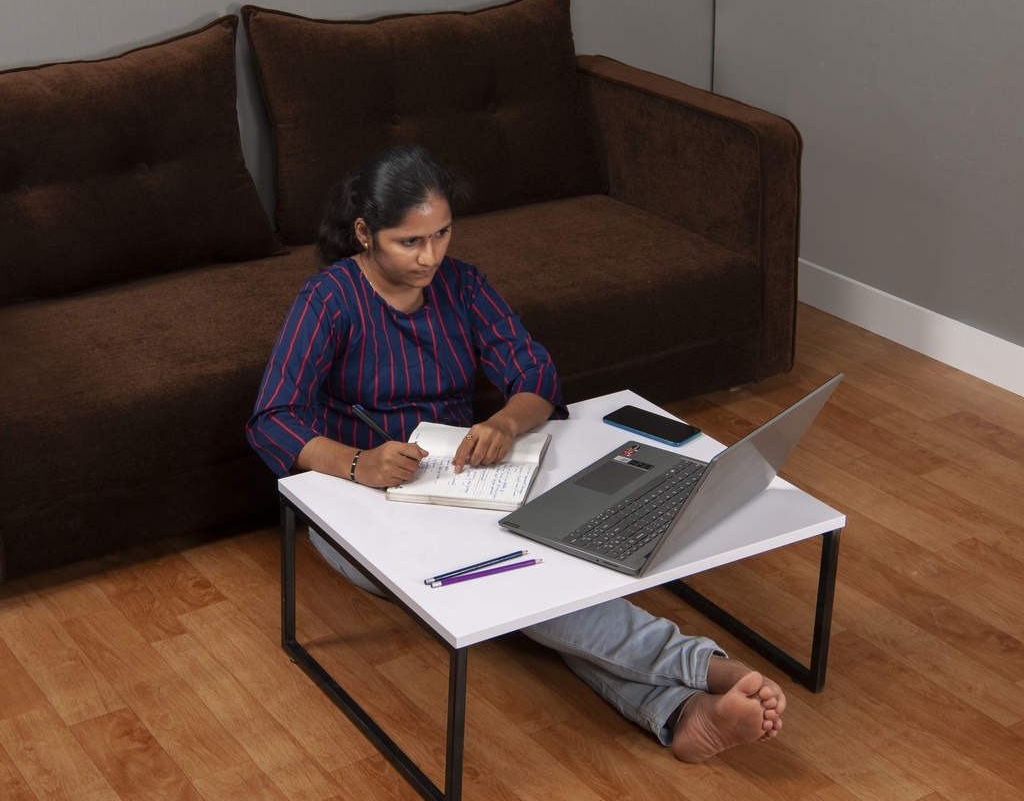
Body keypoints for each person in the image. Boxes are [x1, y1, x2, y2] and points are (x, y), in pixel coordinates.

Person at [247, 144, 786, 762]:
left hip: (461, 481)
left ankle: (678, 713)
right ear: (364, 233)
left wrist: (504, 422)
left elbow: (536, 375)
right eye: (409, 242)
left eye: (442, 234)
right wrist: (356, 463)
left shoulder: (463, 285)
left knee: (538, 582)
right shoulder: (329, 300)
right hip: (360, 507)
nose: (430, 257)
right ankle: (701, 666)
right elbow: (272, 417)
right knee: (522, 589)